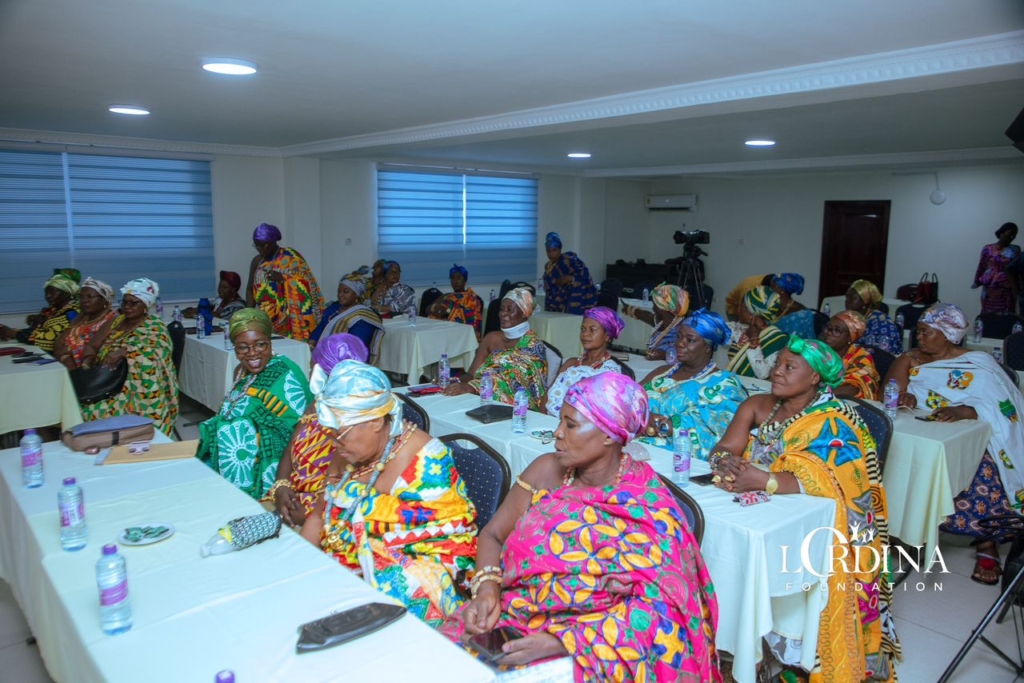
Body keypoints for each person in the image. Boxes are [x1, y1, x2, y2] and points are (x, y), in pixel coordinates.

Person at [442, 373, 721, 681]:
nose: (558, 432)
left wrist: (561, 642)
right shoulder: (546, 470)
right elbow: (493, 535)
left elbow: (662, 609)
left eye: (571, 425)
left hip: (593, 641)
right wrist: (487, 590)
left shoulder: (647, 503)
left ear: (608, 434)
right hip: (508, 618)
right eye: (560, 420)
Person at [710, 337, 901, 682]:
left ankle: (790, 655)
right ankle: (737, 648)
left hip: (813, 521)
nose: (776, 371)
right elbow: (725, 445)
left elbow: (842, 481)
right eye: (777, 363)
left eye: (789, 367)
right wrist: (725, 462)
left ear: (815, 378)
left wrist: (767, 480)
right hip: (756, 510)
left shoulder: (836, 419)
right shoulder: (758, 404)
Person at [301, 360, 477, 628]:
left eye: (339, 435)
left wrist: (365, 558)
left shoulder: (427, 462)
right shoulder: (347, 450)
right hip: (340, 571)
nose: (334, 443)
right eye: (330, 434)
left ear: (374, 422)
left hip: (408, 578)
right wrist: (303, 568)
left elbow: (452, 545)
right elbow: (317, 517)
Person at [886, 303, 1024, 585]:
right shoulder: (908, 359)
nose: (919, 338)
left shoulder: (978, 363)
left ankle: (987, 543)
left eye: (927, 332)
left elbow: (1000, 406)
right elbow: (888, 392)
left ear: (948, 334)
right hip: (921, 429)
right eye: (919, 331)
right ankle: (904, 527)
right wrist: (904, 397)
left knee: (984, 466)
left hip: (969, 432)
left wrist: (966, 411)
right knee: (896, 455)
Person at [196, 308, 312, 499]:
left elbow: (298, 427)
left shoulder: (285, 373)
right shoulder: (240, 371)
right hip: (235, 457)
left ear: (270, 342)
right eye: (243, 347)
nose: (252, 354)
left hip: (274, 462)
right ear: (234, 347)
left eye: (260, 345)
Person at [267, 333, 369, 527]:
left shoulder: (360, 419)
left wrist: (306, 514)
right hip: (292, 497)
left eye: (315, 370)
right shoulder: (318, 403)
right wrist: (281, 486)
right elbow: (290, 449)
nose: (310, 375)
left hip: (328, 509)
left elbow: (356, 488)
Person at [639, 309, 747, 457]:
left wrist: (659, 425)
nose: (679, 344)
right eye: (679, 337)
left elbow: (718, 429)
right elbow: (628, 398)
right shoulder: (662, 372)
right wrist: (644, 415)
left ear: (708, 348)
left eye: (690, 340)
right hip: (635, 440)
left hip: (674, 457)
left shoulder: (725, 384)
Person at [80, 278, 178, 436]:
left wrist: (126, 351)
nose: (127, 307)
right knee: (80, 406)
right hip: (105, 383)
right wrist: (87, 364)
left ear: (146, 305)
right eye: (124, 302)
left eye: (134, 303)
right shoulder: (115, 321)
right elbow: (92, 346)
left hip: (137, 389)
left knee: (93, 412)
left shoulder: (154, 325)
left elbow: (160, 350)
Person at [442, 287, 547, 410]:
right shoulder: (491, 338)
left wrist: (473, 388)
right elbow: (471, 374)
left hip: (517, 411)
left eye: (510, 310)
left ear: (524, 313)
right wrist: (454, 383)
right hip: (480, 401)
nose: (503, 313)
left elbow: (516, 385)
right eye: (502, 309)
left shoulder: (533, 346)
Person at [246, 222, 324, 342]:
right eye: (256, 245)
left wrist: (284, 278)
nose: (259, 248)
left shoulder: (291, 257)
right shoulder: (257, 261)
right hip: (264, 317)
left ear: (273, 242)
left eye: (262, 245)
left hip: (289, 319)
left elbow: (307, 282)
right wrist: (248, 314)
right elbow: (249, 288)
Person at [544, 306, 623, 416]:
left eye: (592, 330)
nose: (585, 334)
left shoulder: (609, 371)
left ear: (607, 336)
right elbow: (548, 396)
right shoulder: (570, 364)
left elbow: (602, 414)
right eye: (583, 329)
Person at [311, 272, 385, 364]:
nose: (340, 294)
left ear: (357, 295)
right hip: (326, 354)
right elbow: (321, 327)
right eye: (339, 291)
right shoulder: (333, 308)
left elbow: (355, 344)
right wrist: (311, 342)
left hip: (349, 361)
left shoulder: (363, 317)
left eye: (345, 292)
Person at [0, 271, 80, 352]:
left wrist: (14, 334)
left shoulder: (72, 313)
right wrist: (8, 331)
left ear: (66, 293)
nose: (48, 296)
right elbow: (34, 332)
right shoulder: (51, 310)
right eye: (46, 293)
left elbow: (50, 341)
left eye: (52, 292)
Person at [726, 285, 789, 379]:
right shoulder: (739, 328)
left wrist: (753, 341)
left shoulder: (776, 339)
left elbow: (764, 374)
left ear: (752, 313)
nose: (738, 310)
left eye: (741, 306)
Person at [53, 277, 116, 369]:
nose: (84, 300)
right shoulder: (82, 317)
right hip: (69, 365)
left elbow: (99, 349)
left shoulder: (113, 319)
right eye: (81, 297)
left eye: (90, 297)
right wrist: (66, 357)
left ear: (104, 300)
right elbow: (59, 343)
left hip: (92, 369)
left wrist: (69, 350)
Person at [820, 310, 880, 400]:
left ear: (850, 337)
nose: (829, 333)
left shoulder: (861, 357)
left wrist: (818, 394)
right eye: (828, 328)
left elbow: (854, 389)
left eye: (837, 331)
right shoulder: (817, 349)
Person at [620, 283, 690, 361]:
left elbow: (679, 352)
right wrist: (628, 309)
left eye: (654, 305)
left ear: (662, 308)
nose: (653, 309)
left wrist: (663, 354)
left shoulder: (682, 329)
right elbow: (645, 315)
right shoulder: (661, 322)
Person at [541, 231, 598, 314]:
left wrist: (570, 279)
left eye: (554, 250)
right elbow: (550, 287)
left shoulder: (569, 260)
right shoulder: (548, 266)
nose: (551, 254)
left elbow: (586, 278)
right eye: (548, 251)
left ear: (560, 250)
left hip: (573, 302)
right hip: (554, 304)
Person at [845, 279, 903, 355]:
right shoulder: (851, 318)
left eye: (853, 298)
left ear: (865, 302)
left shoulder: (881, 323)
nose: (847, 301)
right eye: (847, 297)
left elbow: (882, 355)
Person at [973, 222, 1020, 314]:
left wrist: (1018, 290)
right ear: (1002, 233)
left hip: (1007, 290)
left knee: (1006, 318)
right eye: (1010, 234)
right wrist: (977, 282)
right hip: (989, 288)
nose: (1012, 237)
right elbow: (981, 266)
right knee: (988, 316)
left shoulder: (1015, 250)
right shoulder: (988, 249)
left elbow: (1017, 271)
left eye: (1014, 235)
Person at [427, 264, 483, 339]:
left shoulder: (471, 299)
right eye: (452, 278)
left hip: (461, 335)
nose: (455, 281)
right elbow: (427, 310)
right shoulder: (446, 296)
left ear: (465, 280)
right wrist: (435, 308)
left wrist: (448, 313)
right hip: (441, 331)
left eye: (459, 278)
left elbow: (472, 324)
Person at [772, 272, 817, 340]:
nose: (768, 291)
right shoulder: (772, 307)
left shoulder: (800, 315)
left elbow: (795, 343)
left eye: (772, 287)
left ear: (781, 290)